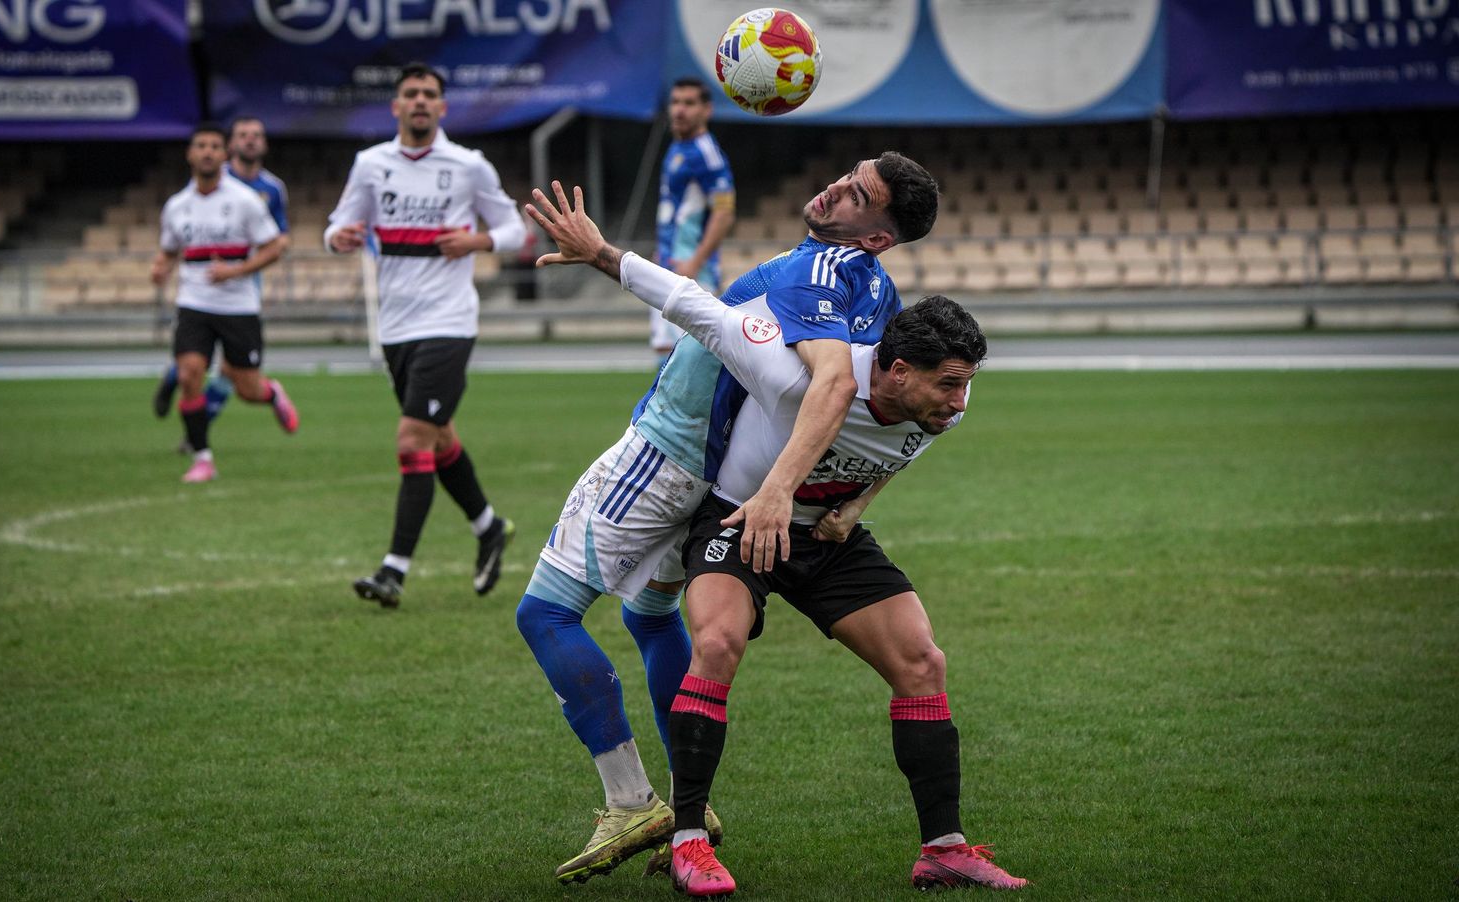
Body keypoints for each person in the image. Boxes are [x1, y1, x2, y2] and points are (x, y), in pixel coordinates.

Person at [527, 180, 1028, 896]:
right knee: (717, 644)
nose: (958, 401)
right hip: (740, 518)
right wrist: (602, 252)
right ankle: (690, 839)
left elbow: (899, 447)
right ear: (893, 369)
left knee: (922, 660)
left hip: (823, 531)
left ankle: (943, 848)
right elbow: (695, 307)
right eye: (946, 384)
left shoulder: (946, 402)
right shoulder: (787, 373)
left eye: (964, 384)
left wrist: (856, 505)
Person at [325, 62, 525, 608]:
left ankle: (394, 569)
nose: (418, 101)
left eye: (429, 94)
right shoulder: (371, 164)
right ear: (395, 106)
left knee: (412, 438)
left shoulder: (468, 166)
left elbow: (515, 229)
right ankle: (488, 526)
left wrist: (476, 242)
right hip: (395, 326)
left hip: (449, 321)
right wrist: (336, 237)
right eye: (409, 93)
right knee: (438, 439)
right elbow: (337, 223)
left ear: (442, 108)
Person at [150, 123, 298, 484]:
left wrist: (237, 271)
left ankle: (271, 392)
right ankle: (203, 458)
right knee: (189, 375)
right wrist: (162, 266)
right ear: (190, 153)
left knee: (247, 389)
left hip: (238, 307)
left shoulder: (245, 200)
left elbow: (276, 245)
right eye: (201, 146)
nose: (207, 152)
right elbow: (169, 249)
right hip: (194, 303)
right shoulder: (177, 206)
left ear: (224, 154)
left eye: (214, 146)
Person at [651, 77, 736, 367]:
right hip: (669, 265)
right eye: (675, 102)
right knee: (665, 354)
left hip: (691, 273)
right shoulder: (677, 148)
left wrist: (695, 262)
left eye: (689, 103)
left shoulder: (706, 153)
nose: (679, 110)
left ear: (706, 110)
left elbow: (724, 212)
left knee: (688, 363)